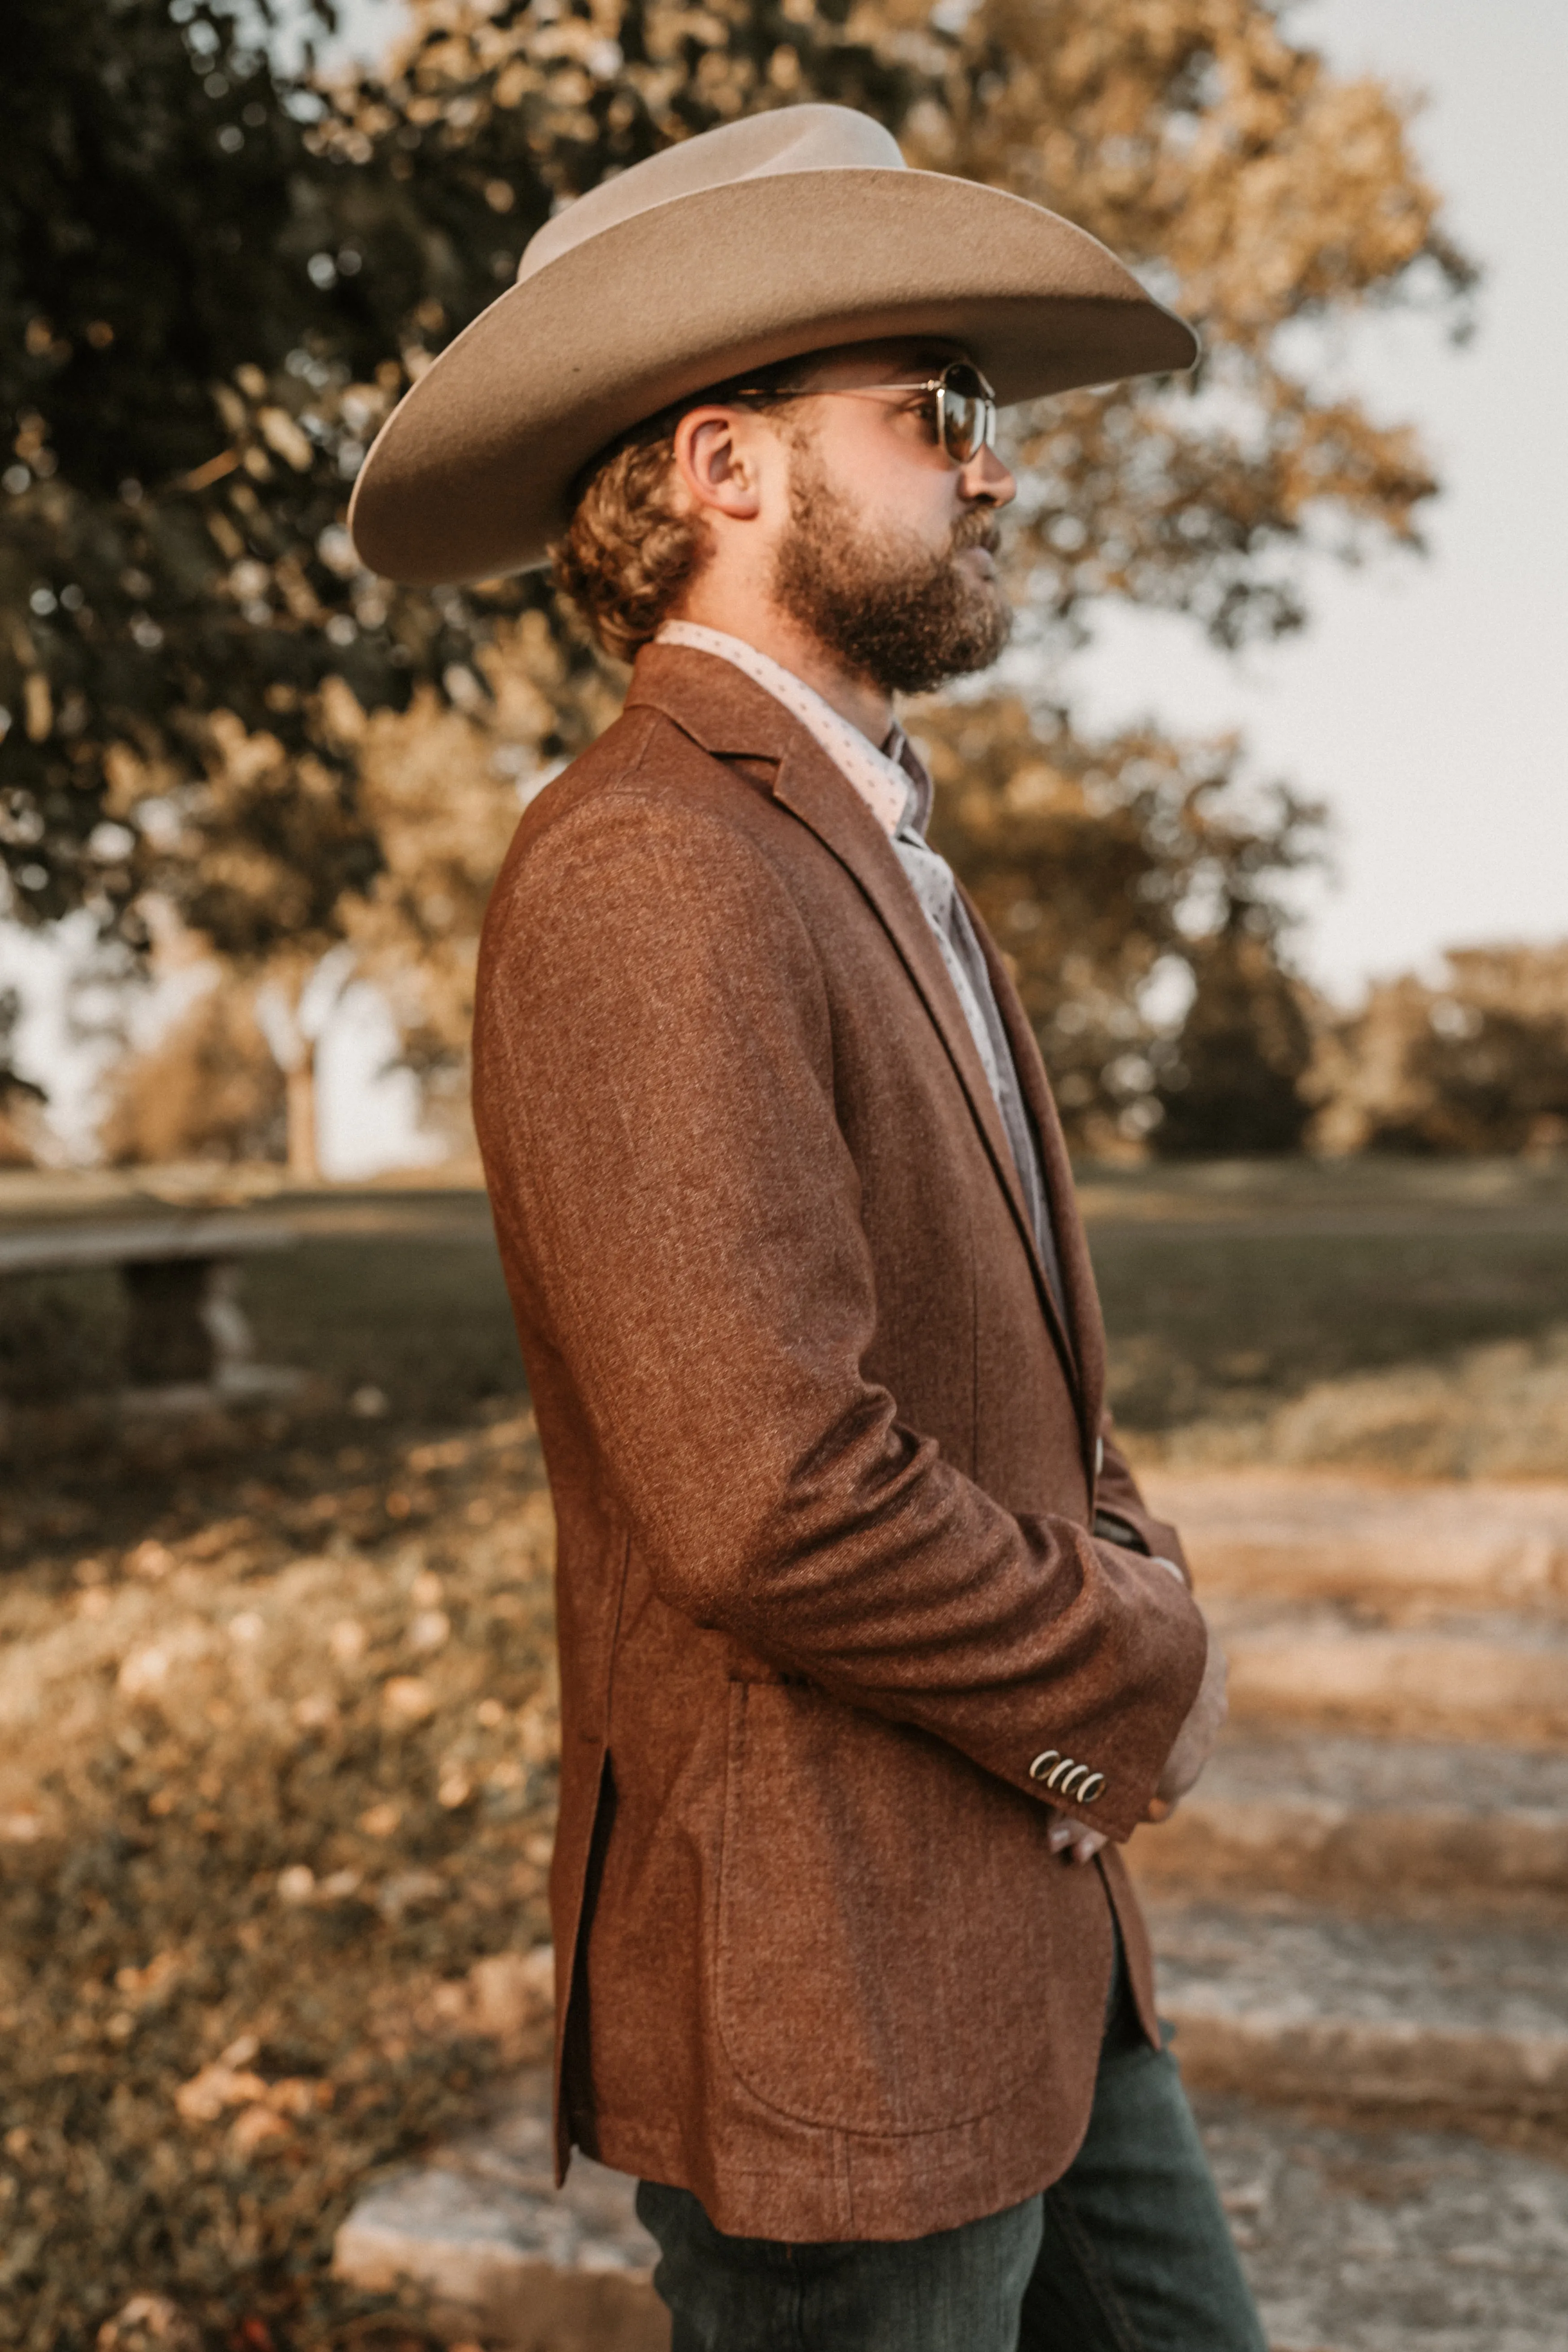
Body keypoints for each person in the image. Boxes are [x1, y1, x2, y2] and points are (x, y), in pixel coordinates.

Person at [352, 103, 1261, 2352]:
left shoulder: (862, 845)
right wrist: (1135, 1675)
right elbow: (770, 1496)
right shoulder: (650, 862)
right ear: (725, 467)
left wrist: (1114, 1601)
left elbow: (1018, 1385)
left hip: (1037, 1944)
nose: (997, 466)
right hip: (837, 1988)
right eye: (937, 412)